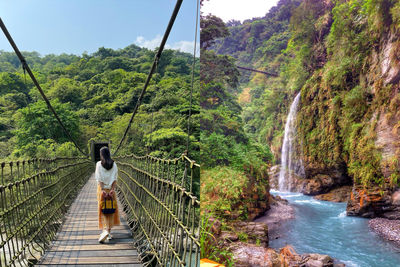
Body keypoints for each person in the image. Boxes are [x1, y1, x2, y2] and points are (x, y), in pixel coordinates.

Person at [95, 146, 120, 243]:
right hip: (111, 190)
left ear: (101, 155)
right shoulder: (114, 164)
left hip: (102, 190)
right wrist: (112, 190)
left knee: (103, 208)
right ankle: (108, 232)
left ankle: (105, 230)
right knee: (111, 209)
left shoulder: (98, 164)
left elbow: (99, 178)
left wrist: (102, 190)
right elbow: (115, 178)